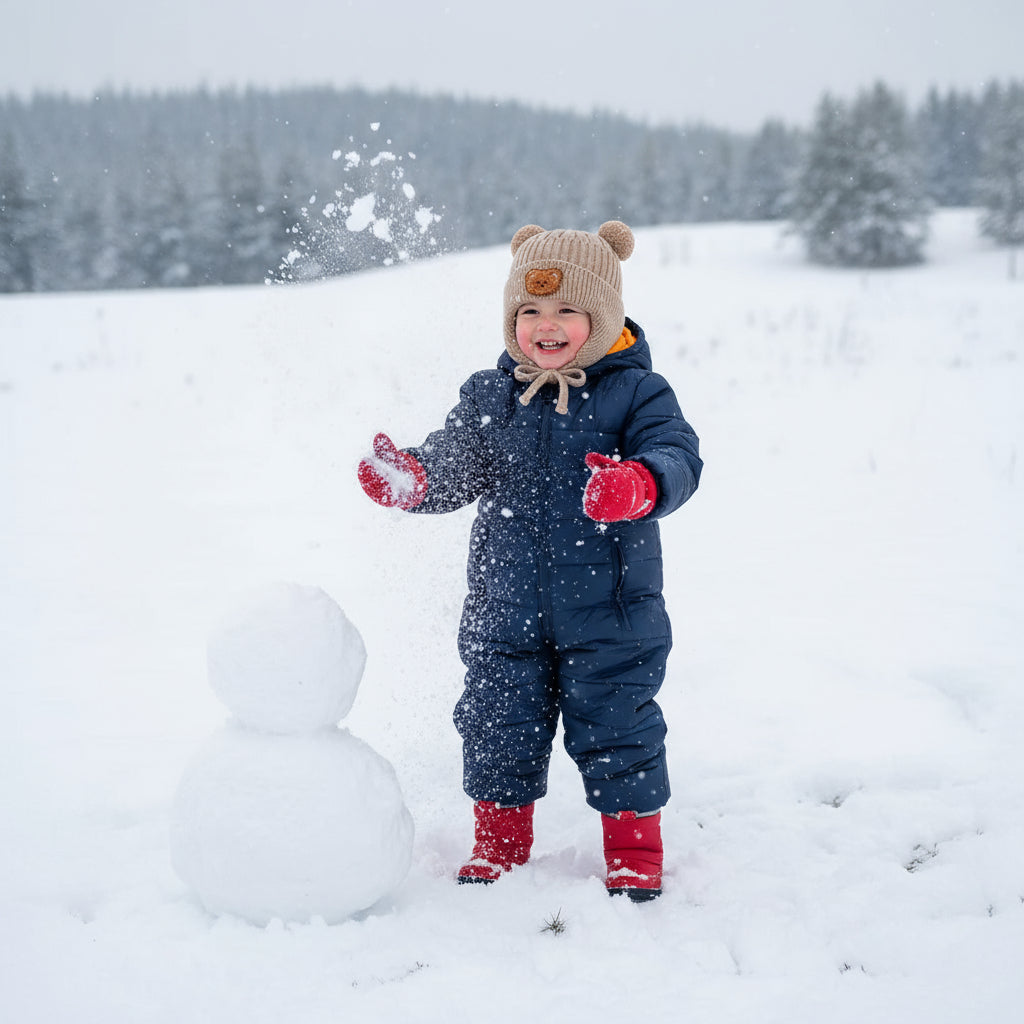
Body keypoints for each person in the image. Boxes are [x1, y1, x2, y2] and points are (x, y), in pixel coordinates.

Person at [358, 221, 702, 901]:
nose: (546, 325)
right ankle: (499, 844)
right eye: (530, 310)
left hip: (612, 611)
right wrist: (417, 478)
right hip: (505, 606)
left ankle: (634, 851)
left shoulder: (638, 392)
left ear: (603, 317)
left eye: (567, 309)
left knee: (620, 724)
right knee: (497, 720)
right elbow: (458, 457)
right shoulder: (492, 395)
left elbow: (678, 454)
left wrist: (638, 483)